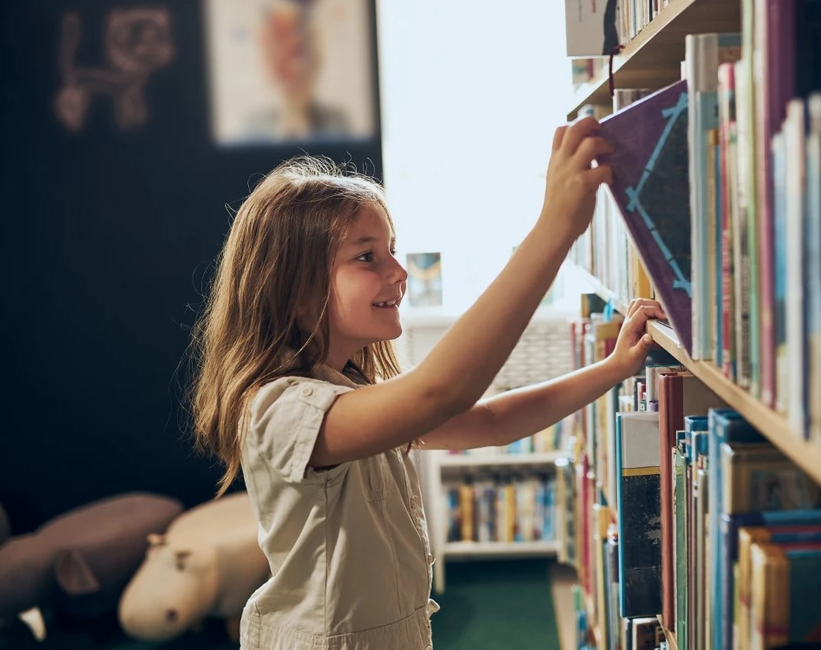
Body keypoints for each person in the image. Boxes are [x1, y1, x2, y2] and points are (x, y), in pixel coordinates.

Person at [188, 115, 665, 650]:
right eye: (367, 256)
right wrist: (555, 227)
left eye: (391, 248)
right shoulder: (281, 408)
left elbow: (491, 420)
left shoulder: (351, 394)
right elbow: (441, 391)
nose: (398, 271)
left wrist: (613, 368)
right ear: (295, 294)